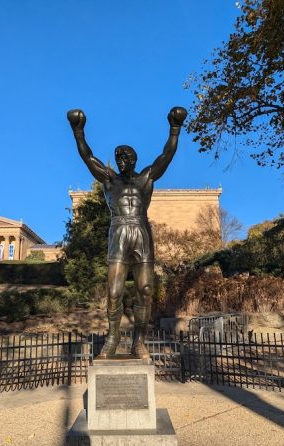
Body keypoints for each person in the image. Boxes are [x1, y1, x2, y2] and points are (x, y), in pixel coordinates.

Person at [67, 106, 187, 359]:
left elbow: (166, 155)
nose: (120, 161)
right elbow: (88, 157)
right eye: (118, 157)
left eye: (125, 157)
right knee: (114, 291)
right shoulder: (109, 180)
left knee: (145, 289)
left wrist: (174, 128)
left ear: (133, 159)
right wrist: (78, 131)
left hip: (142, 231)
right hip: (119, 231)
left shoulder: (146, 178)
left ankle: (138, 342)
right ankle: (112, 338)